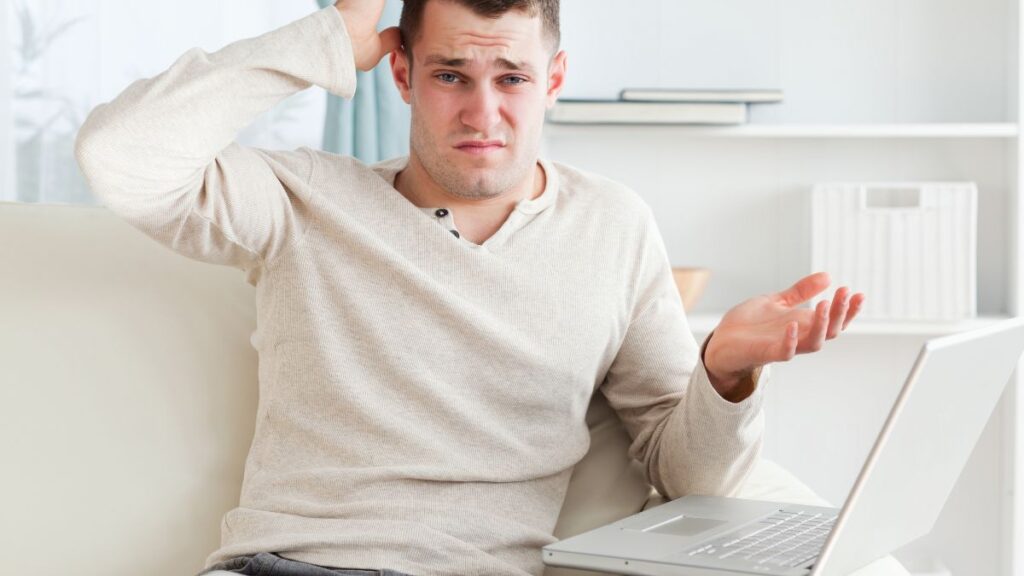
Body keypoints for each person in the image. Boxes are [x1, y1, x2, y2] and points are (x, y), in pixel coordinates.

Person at [73, 1, 866, 575]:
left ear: (552, 79)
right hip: (285, 567)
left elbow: (688, 476)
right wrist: (320, 42)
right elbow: (120, 155)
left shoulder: (614, 226)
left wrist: (725, 372)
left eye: (511, 77)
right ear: (402, 74)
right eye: (451, 74)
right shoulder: (302, 200)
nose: (481, 113)